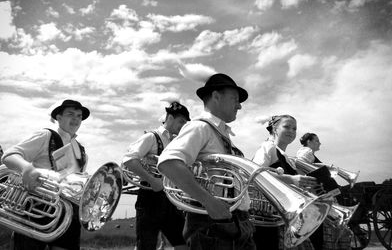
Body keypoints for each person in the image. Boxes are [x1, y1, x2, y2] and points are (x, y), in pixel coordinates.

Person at [157, 73, 256, 250]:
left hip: (236, 222)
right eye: (235, 98)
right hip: (212, 225)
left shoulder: (221, 134)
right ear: (216, 96)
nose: (239, 105)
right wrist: (209, 202)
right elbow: (168, 162)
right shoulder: (200, 126)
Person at [2, 99, 90, 250]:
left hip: (67, 214)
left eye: (79, 116)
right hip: (36, 209)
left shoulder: (81, 150)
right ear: (58, 117)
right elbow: (9, 155)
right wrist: (26, 168)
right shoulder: (45, 135)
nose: (76, 119)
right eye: (70, 114)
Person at [122, 101, 190, 250]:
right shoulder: (152, 137)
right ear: (170, 118)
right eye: (181, 121)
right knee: (146, 246)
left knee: (183, 244)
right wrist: (152, 180)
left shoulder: (176, 142)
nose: (183, 126)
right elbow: (128, 160)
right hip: (149, 199)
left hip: (171, 199)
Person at [252, 115, 318, 250]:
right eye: (286, 127)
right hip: (268, 219)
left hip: (284, 218)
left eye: (294, 128)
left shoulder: (289, 159)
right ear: (275, 129)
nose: (291, 131)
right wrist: (292, 179)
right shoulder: (267, 147)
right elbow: (255, 174)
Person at [297, 133, 352, 250]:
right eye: (316, 141)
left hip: (320, 192)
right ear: (309, 142)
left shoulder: (308, 153)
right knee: (331, 227)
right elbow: (301, 166)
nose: (319, 143)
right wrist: (323, 168)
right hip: (319, 193)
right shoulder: (305, 152)